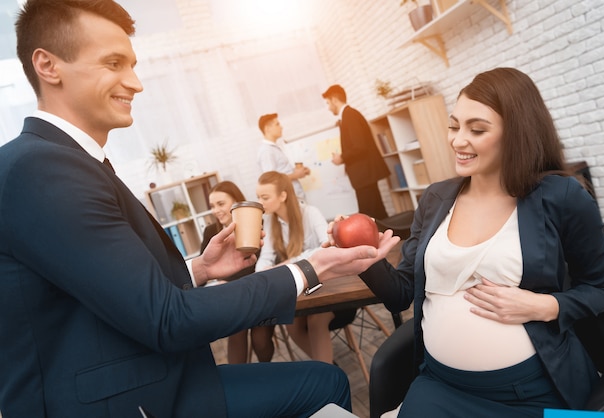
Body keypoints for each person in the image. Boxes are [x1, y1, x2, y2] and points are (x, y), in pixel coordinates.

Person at [0, 1, 398, 416]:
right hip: (124, 401)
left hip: (151, 379)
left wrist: (199, 269)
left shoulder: (67, 163)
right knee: (325, 381)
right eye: (114, 63)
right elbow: (164, 319)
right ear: (48, 65)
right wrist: (310, 269)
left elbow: (114, 289)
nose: (135, 83)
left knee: (324, 379)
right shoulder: (40, 168)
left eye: (132, 65)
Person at [338, 67, 604, 417]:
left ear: (516, 133)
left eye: (477, 129)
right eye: (454, 126)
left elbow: (601, 288)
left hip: (528, 392)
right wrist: (366, 261)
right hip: (439, 385)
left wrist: (542, 306)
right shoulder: (436, 198)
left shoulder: (561, 197)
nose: (457, 140)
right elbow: (401, 293)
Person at [256, 171, 354, 364]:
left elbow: (327, 246)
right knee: (291, 325)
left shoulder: (310, 213)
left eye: (265, 197)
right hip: (302, 290)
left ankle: (327, 377)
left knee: (315, 319)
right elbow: (266, 256)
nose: (260, 202)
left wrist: (289, 263)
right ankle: (328, 369)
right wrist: (260, 275)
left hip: (328, 286)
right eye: (258, 197)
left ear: (283, 195)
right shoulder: (268, 221)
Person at [201, 181, 275, 365]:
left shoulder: (259, 224)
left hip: (261, 295)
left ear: (236, 203)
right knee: (237, 331)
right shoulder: (211, 232)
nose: (216, 210)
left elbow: (268, 261)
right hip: (232, 298)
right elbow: (204, 270)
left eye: (221, 204)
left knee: (260, 339)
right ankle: (239, 382)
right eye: (212, 206)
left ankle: (265, 375)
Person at [322, 84, 390, 220]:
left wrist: (342, 158)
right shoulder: (347, 116)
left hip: (364, 175)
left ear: (335, 99)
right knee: (376, 214)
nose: (328, 108)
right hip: (364, 175)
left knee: (370, 215)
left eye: (328, 103)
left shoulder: (349, 115)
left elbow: (359, 146)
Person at [256, 113, 310, 203]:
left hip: (295, 198)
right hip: (289, 200)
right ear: (267, 129)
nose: (281, 127)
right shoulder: (266, 151)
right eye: (277, 124)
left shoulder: (273, 148)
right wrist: (295, 175)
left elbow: (281, 172)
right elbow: (271, 181)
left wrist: (298, 171)